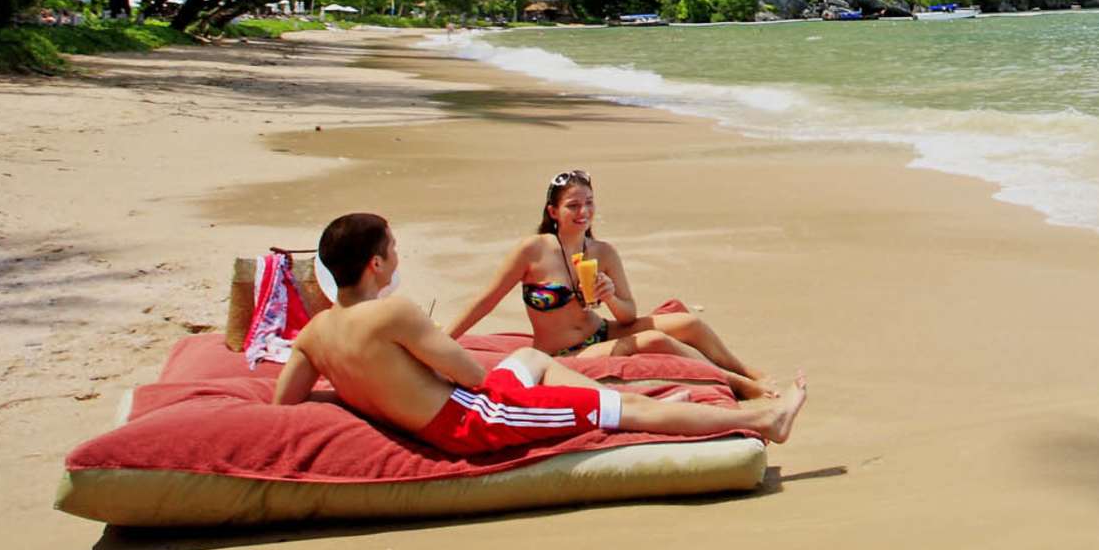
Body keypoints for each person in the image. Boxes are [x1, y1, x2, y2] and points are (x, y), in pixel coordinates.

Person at [276, 212, 804, 455]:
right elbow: (471, 375)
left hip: (456, 407)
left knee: (532, 358)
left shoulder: (316, 333)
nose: (397, 256)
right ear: (375, 264)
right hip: (475, 420)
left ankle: (622, 400)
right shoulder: (393, 314)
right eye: (393, 248)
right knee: (622, 412)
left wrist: (364, 388)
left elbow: (287, 400)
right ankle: (763, 418)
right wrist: (423, 357)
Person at [443, 169, 775, 399]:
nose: (583, 211)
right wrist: (443, 340)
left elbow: (627, 314)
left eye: (589, 203)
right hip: (564, 352)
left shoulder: (602, 252)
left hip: (601, 331)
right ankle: (732, 383)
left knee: (688, 323)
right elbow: (486, 300)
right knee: (654, 340)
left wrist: (611, 296)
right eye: (573, 205)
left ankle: (744, 370)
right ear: (553, 211)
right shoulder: (533, 250)